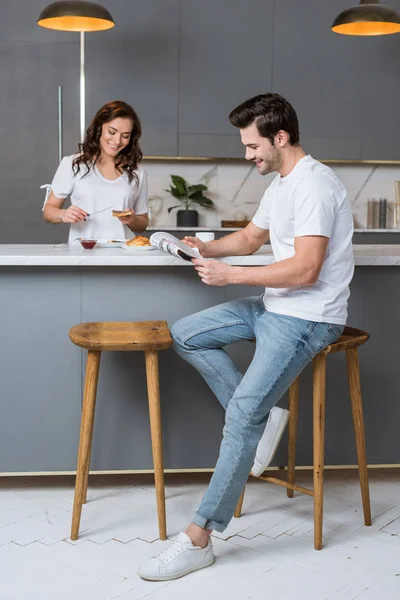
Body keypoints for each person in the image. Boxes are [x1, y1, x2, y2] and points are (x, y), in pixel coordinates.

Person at [138, 93, 354, 581]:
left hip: (309, 317)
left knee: (240, 417)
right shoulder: (282, 183)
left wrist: (229, 276)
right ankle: (263, 416)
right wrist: (200, 246)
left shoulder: (315, 186)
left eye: (253, 146)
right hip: (274, 305)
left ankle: (199, 539)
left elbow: (305, 268)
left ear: (280, 138)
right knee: (188, 334)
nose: (247, 155)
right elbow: (253, 238)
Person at [43, 100, 148, 242]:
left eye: (125, 136)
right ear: (99, 128)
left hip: (124, 256)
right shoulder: (73, 164)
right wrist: (63, 214)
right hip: (82, 254)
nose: (117, 141)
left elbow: (142, 223)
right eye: (112, 132)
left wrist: (132, 219)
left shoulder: (137, 172)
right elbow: (49, 211)